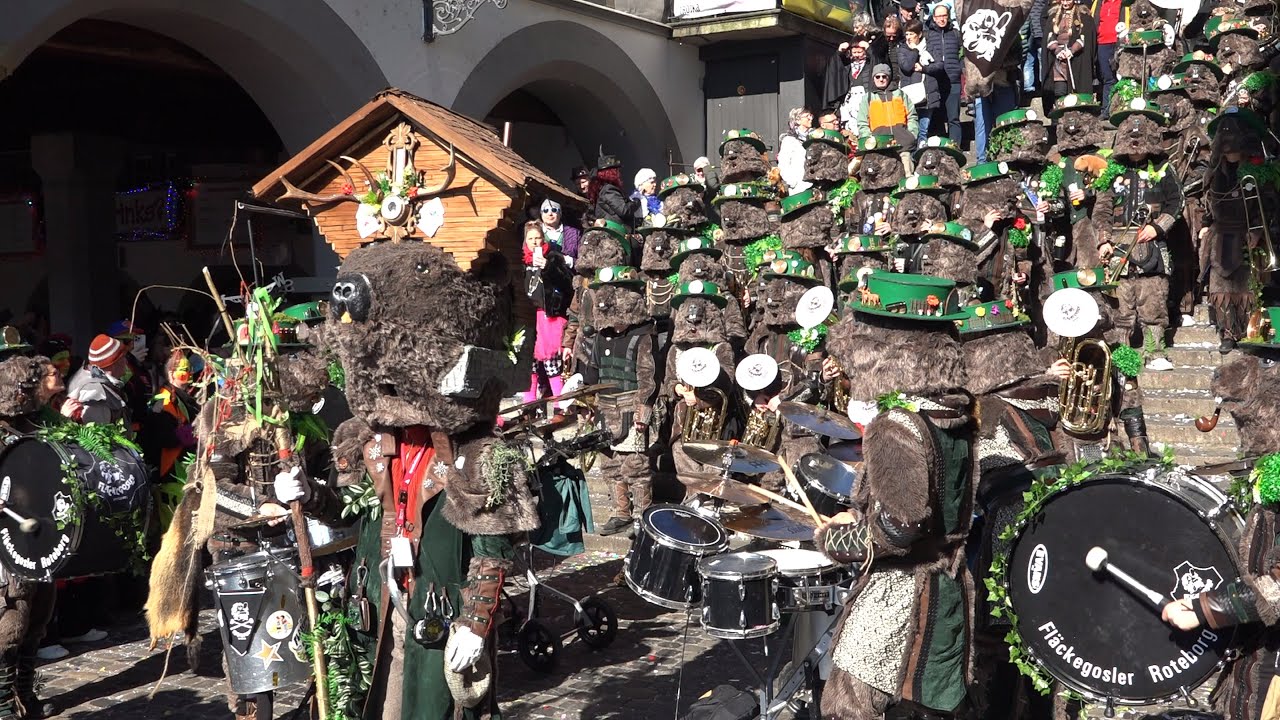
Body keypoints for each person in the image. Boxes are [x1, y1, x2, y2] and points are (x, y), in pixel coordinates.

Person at [0, 352, 67, 718]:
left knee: (37, 616)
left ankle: (25, 696)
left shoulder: (36, 425)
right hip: (4, 543)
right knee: (8, 619)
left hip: (35, 535)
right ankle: (3, 706)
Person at [521, 222, 573, 402]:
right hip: (527, 317)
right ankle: (529, 407)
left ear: (543, 239)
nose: (534, 242)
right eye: (530, 239)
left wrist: (548, 267)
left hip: (548, 316)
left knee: (552, 364)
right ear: (525, 241)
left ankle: (561, 405)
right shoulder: (520, 261)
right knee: (529, 365)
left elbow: (568, 283)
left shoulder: (553, 257)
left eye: (537, 238)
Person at [854, 63, 920, 169]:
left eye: (884, 76)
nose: (881, 79)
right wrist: (870, 141)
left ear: (888, 78)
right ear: (873, 78)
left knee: (907, 179)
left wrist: (911, 135)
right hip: (879, 149)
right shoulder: (868, 98)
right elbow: (862, 123)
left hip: (903, 146)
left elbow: (912, 116)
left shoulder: (901, 94)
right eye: (878, 76)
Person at [60, 334, 131, 425]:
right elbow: (95, 435)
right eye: (124, 357)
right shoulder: (95, 393)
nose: (126, 361)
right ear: (114, 363)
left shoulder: (86, 375)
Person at [924, 2, 964, 146]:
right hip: (935, 81)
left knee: (954, 118)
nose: (941, 19)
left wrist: (960, 69)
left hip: (953, 80)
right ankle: (940, 148)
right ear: (933, 18)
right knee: (937, 118)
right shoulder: (928, 35)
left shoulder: (955, 34)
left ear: (948, 17)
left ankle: (955, 147)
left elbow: (963, 54)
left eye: (944, 16)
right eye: (938, 16)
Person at [1041, 0, 1098, 97]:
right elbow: (1049, 36)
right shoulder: (1053, 16)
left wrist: (1072, 50)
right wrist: (1058, 51)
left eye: (1068, 0)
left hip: (1077, 60)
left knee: (1076, 93)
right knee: (1060, 91)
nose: (1065, 3)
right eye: (1063, 0)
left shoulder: (1084, 17)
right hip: (1058, 61)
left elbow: (1086, 37)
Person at [900, 19, 940, 144]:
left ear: (919, 34)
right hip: (910, 95)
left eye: (912, 34)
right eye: (907, 34)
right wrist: (915, 51)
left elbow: (939, 65)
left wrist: (924, 68)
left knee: (923, 130)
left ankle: (921, 154)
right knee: (912, 130)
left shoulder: (930, 47)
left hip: (928, 94)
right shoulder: (903, 49)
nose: (909, 37)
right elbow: (906, 66)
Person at [588, 150, 639, 229]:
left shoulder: (602, 189)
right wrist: (636, 201)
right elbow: (624, 211)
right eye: (617, 170)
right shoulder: (609, 189)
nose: (619, 173)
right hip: (617, 231)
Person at [838, 41, 879, 132]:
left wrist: (869, 48)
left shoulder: (869, 64)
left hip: (865, 96)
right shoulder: (848, 65)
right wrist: (840, 52)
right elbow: (837, 63)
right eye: (854, 52)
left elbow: (876, 61)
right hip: (850, 97)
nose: (857, 55)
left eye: (859, 52)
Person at [1091, 0, 1125, 110]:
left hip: (1119, 43)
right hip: (1102, 43)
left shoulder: (1124, 3)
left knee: (1122, 76)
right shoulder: (1099, 3)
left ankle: (1122, 107)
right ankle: (1107, 109)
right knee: (1107, 78)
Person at [778, 107, 815, 194]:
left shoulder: (814, 138)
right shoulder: (789, 140)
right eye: (807, 116)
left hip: (815, 186)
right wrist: (793, 183)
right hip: (799, 188)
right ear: (798, 121)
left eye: (811, 116)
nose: (810, 118)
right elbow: (783, 163)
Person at [538, 198, 580, 266]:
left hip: (567, 274)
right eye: (545, 210)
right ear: (541, 214)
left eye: (554, 210)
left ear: (560, 214)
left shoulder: (574, 233)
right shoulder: (535, 231)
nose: (550, 213)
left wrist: (566, 260)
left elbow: (581, 260)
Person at [871, 14, 906, 86]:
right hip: (885, 79)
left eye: (894, 36)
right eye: (888, 36)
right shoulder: (878, 44)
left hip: (901, 79)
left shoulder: (904, 43)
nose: (891, 39)